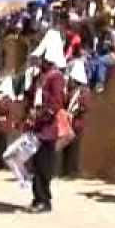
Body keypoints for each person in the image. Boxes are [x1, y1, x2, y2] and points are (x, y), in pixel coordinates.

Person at [24, 31, 66, 213]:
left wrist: (40, 117)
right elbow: (31, 97)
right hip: (37, 127)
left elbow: (56, 103)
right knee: (36, 164)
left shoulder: (56, 77)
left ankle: (44, 200)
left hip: (47, 128)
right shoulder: (39, 76)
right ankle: (37, 197)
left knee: (44, 165)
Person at [61, 59, 90, 178]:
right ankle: (65, 170)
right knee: (66, 148)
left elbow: (85, 106)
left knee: (74, 149)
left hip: (77, 123)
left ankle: (73, 172)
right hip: (68, 123)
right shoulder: (70, 91)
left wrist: (76, 110)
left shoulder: (83, 91)